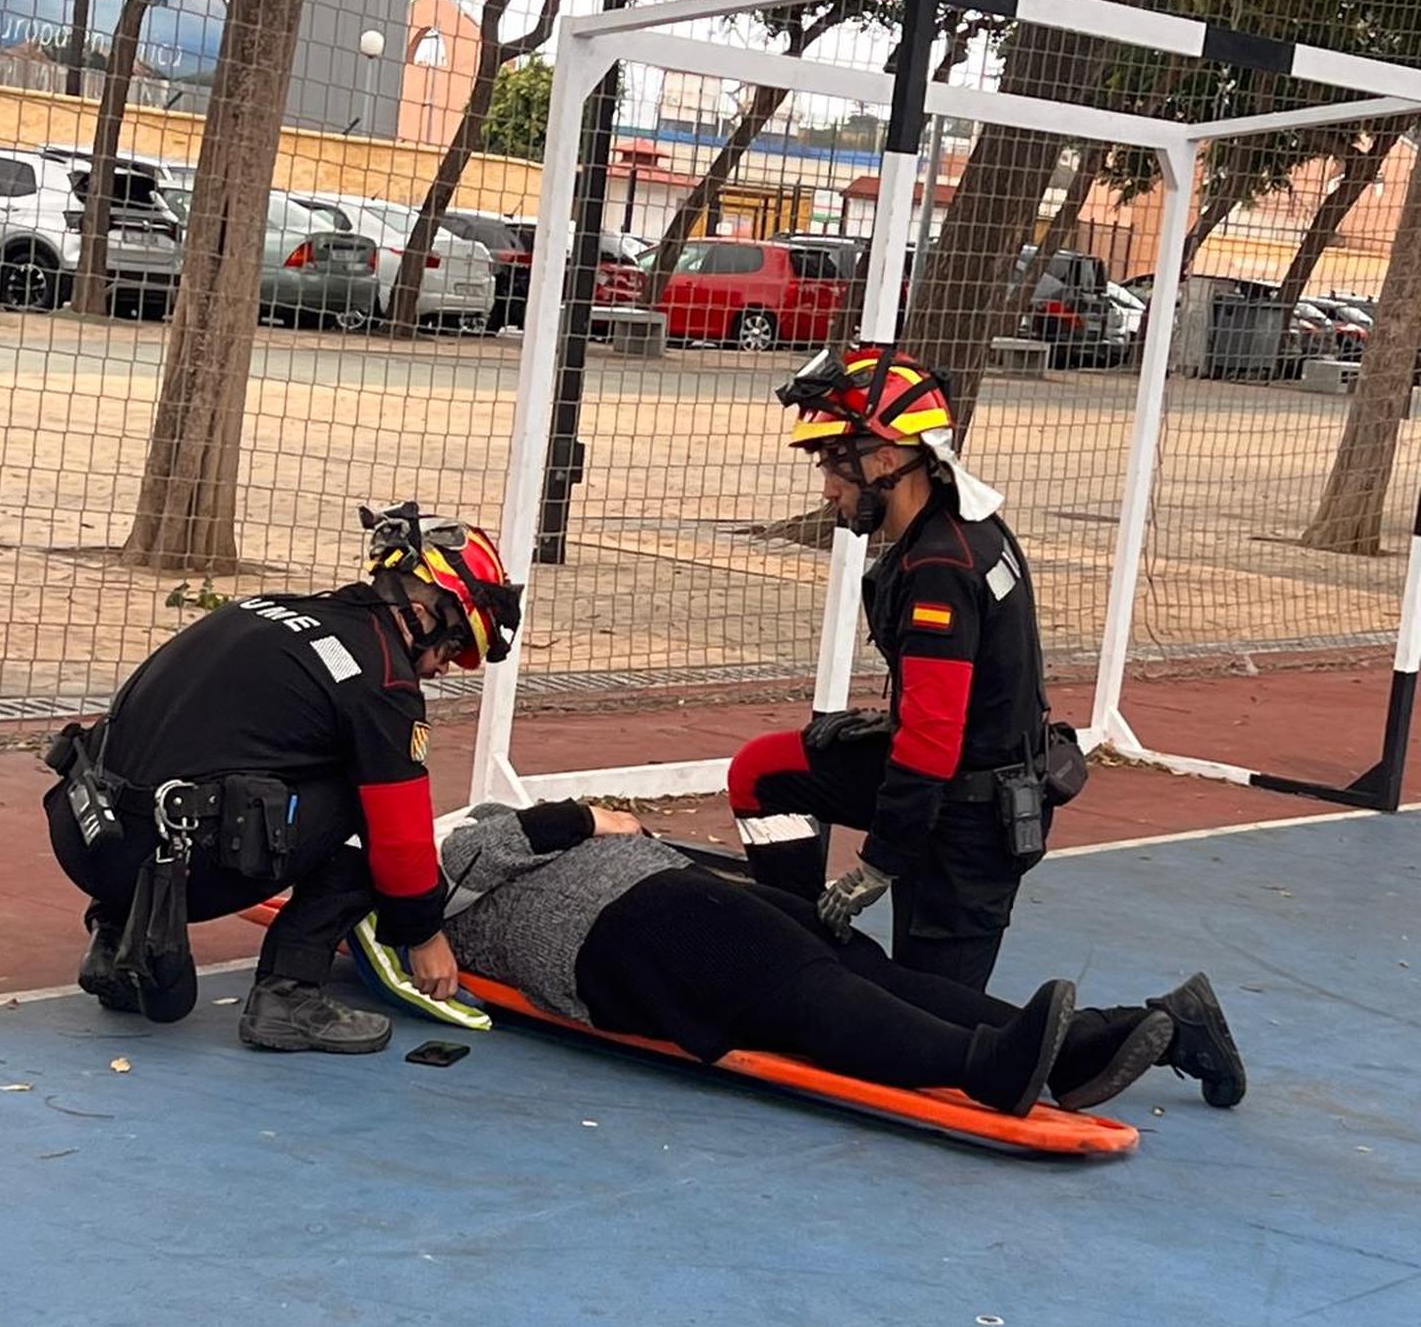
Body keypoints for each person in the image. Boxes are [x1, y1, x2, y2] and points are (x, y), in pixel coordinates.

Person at [725, 347, 1245, 1106]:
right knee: (763, 772)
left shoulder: (941, 564)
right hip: (948, 781)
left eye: (837, 466)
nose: (829, 488)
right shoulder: (956, 525)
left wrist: (877, 865)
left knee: (922, 1023)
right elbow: (942, 717)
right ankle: (802, 946)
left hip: (968, 823)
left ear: (892, 457)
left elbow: (934, 739)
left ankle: (1165, 1024)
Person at [44, 504, 521, 1054]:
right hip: (170, 867)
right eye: (455, 644)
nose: (444, 667)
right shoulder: (380, 678)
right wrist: (423, 934)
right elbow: (403, 841)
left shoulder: (270, 610)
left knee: (206, 769)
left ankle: (116, 939)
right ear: (425, 609)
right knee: (369, 802)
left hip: (83, 837)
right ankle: (288, 993)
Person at [436, 800, 1243, 1119]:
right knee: (803, 991)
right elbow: (482, 850)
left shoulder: (430, 856)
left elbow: (495, 838)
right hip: (617, 929)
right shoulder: (428, 880)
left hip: (669, 888)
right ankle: (987, 1063)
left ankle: (1103, 1038)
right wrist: (588, 815)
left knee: (866, 969)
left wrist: (603, 829)